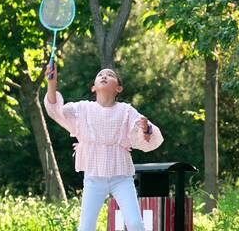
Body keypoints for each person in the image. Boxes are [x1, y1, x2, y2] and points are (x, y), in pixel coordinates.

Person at [44, 65, 164, 231]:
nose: (104, 76)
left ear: (118, 88)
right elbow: (56, 110)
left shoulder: (126, 111)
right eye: (100, 74)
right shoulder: (82, 109)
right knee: (85, 228)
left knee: (136, 224)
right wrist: (52, 83)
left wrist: (146, 129)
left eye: (110, 75)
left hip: (121, 177)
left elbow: (147, 138)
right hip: (94, 177)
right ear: (94, 87)